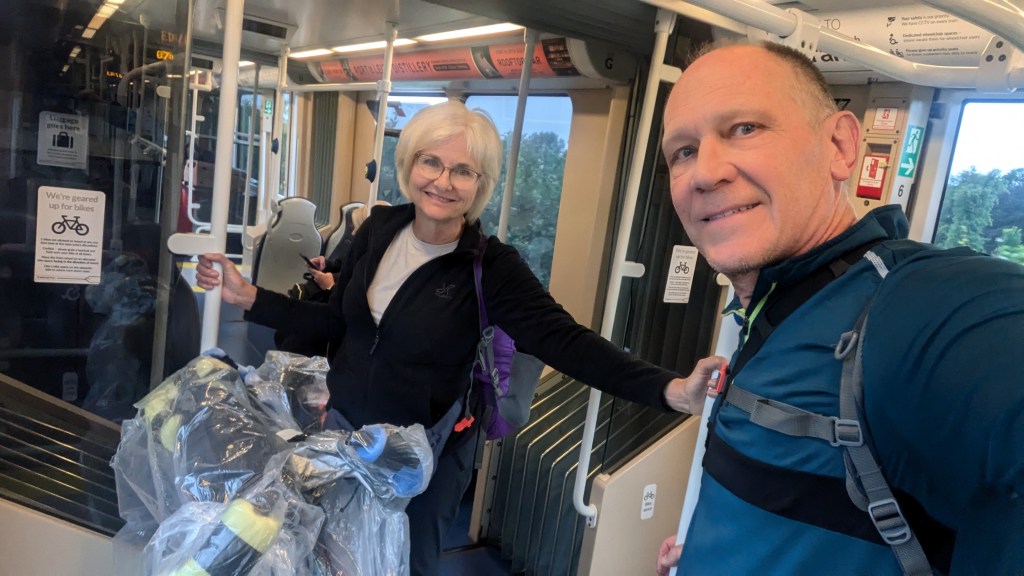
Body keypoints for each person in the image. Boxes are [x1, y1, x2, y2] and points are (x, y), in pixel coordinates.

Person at [196, 100, 724, 576]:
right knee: (329, 553)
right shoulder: (379, 231)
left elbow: (568, 341)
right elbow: (338, 321)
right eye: (431, 162)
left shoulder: (489, 267)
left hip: (424, 456)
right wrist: (250, 298)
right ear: (409, 166)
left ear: (481, 184)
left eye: (463, 171)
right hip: (347, 431)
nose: (443, 181)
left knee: (404, 564)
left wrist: (670, 390)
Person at [655, 42, 1024, 575]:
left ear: (839, 146)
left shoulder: (913, 306)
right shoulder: (771, 314)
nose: (704, 173)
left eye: (745, 129)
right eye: (683, 151)